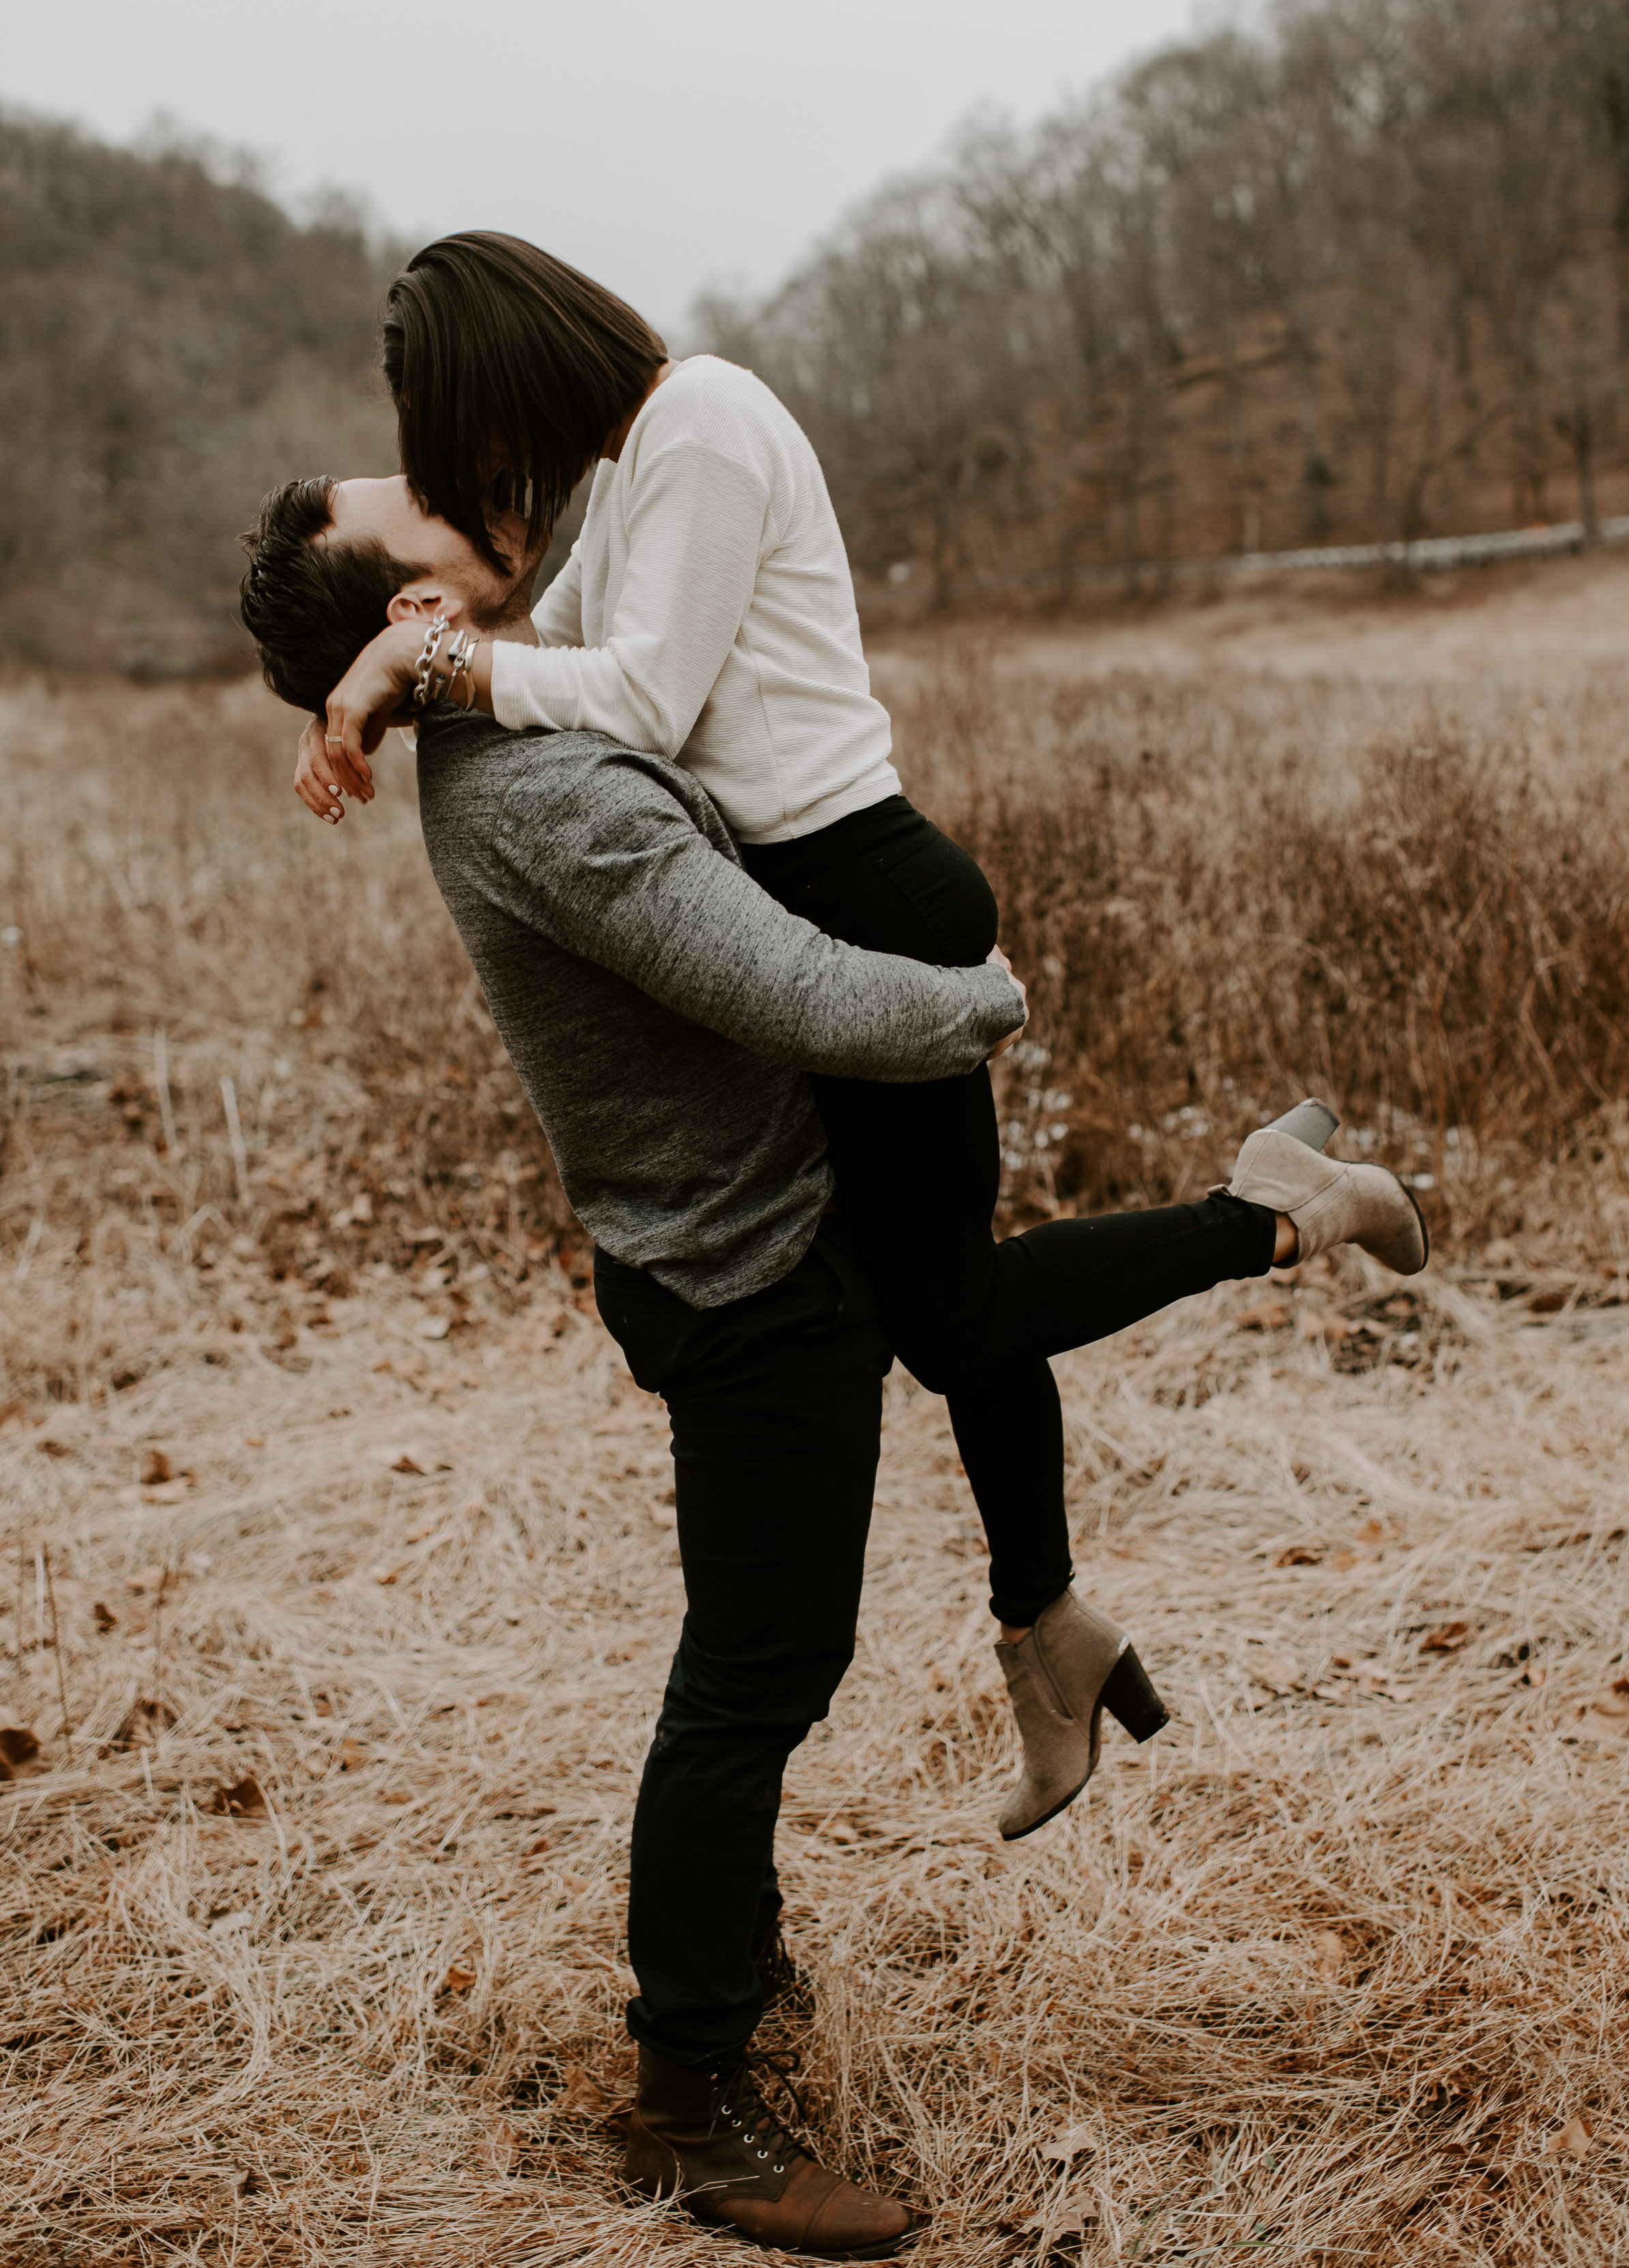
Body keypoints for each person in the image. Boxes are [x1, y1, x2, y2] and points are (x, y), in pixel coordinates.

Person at [239, 497, 1421, 2252]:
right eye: (412, 507)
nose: (466, 491)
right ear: (417, 595)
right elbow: (798, 993)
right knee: (758, 1667)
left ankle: (1247, 1246)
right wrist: (985, 998)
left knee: (963, 1330)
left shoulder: (524, 718)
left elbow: (603, 637)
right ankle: (688, 2098)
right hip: (741, 1275)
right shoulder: (543, 798)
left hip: (755, 1228)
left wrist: (394, 658)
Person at [274, 230, 1428, 1846]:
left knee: (950, 1317)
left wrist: (427, 654)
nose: (469, 472)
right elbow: (564, 673)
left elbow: (648, 700)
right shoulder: (623, 479)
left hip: (868, 899)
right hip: (806, 906)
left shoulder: (704, 423)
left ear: (509, 376)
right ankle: (1049, 1631)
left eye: (456, 431)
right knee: (946, 1296)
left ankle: (1279, 1214)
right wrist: (405, 658)